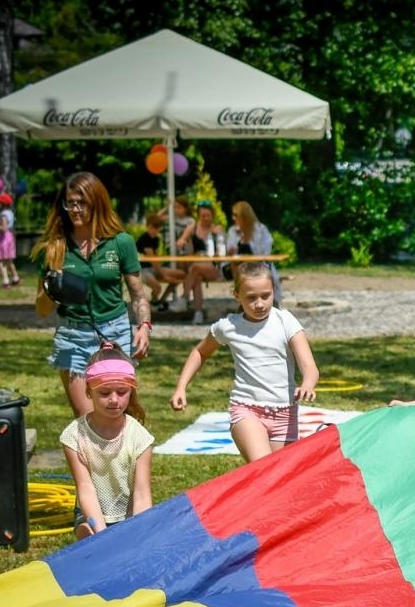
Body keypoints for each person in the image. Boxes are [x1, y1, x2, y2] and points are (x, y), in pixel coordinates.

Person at [169, 262, 320, 463]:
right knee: (264, 468)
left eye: (265, 296)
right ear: (236, 295)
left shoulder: (285, 321)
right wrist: (181, 387)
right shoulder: (229, 326)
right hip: (247, 409)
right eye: (251, 297)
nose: (259, 304)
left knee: (280, 475)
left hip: (285, 413)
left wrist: (308, 384)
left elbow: (309, 366)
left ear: (274, 291)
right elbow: (200, 352)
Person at [32, 171, 152, 417]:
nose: (75, 210)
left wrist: (144, 326)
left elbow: (138, 295)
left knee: (117, 411)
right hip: (72, 334)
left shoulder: (120, 242)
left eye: (82, 203)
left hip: (115, 332)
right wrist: (52, 286)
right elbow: (42, 310)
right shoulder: (54, 247)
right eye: (70, 203)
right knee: (87, 417)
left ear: (97, 203)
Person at [61, 345, 153, 540]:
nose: (113, 400)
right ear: (89, 391)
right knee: (88, 538)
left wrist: (139, 532)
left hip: (129, 515)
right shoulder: (73, 435)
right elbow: (85, 489)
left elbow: (142, 495)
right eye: (104, 393)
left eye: (122, 392)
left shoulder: (140, 437)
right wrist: (102, 535)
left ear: (131, 390)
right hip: (90, 515)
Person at [176, 200, 224, 314]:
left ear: (212, 216)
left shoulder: (217, 229)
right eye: (203, 216)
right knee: (196, 276)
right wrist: (183, 242)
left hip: (213, 266)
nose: (205, 218)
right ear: (198, 216)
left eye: (208, 215)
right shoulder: (192, 228)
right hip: (196, 263)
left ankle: (184, 298)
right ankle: (198, 313)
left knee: (195, 268)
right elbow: (180, 242)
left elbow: (222, 250)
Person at [0, 192, 19, 287]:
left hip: (3, 238)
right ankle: (15, 278)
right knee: (9, 260)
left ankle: (5, 280)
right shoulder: (10, 213)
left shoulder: (3, 215)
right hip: (10, 237)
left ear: (2, 204)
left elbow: (4, 228)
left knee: (0, 260)